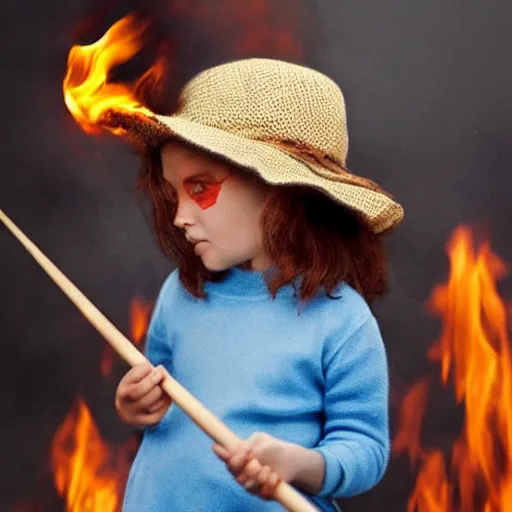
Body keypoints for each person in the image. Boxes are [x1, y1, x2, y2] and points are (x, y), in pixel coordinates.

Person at [114, 58, 404, 511]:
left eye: (200, 189)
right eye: (174, 194)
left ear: (281, 190)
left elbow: (365, 449)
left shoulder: (342, 319)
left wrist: (297, 463)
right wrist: (136, 404)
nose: (180, 217)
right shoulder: (180, 292)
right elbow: (159, 392)